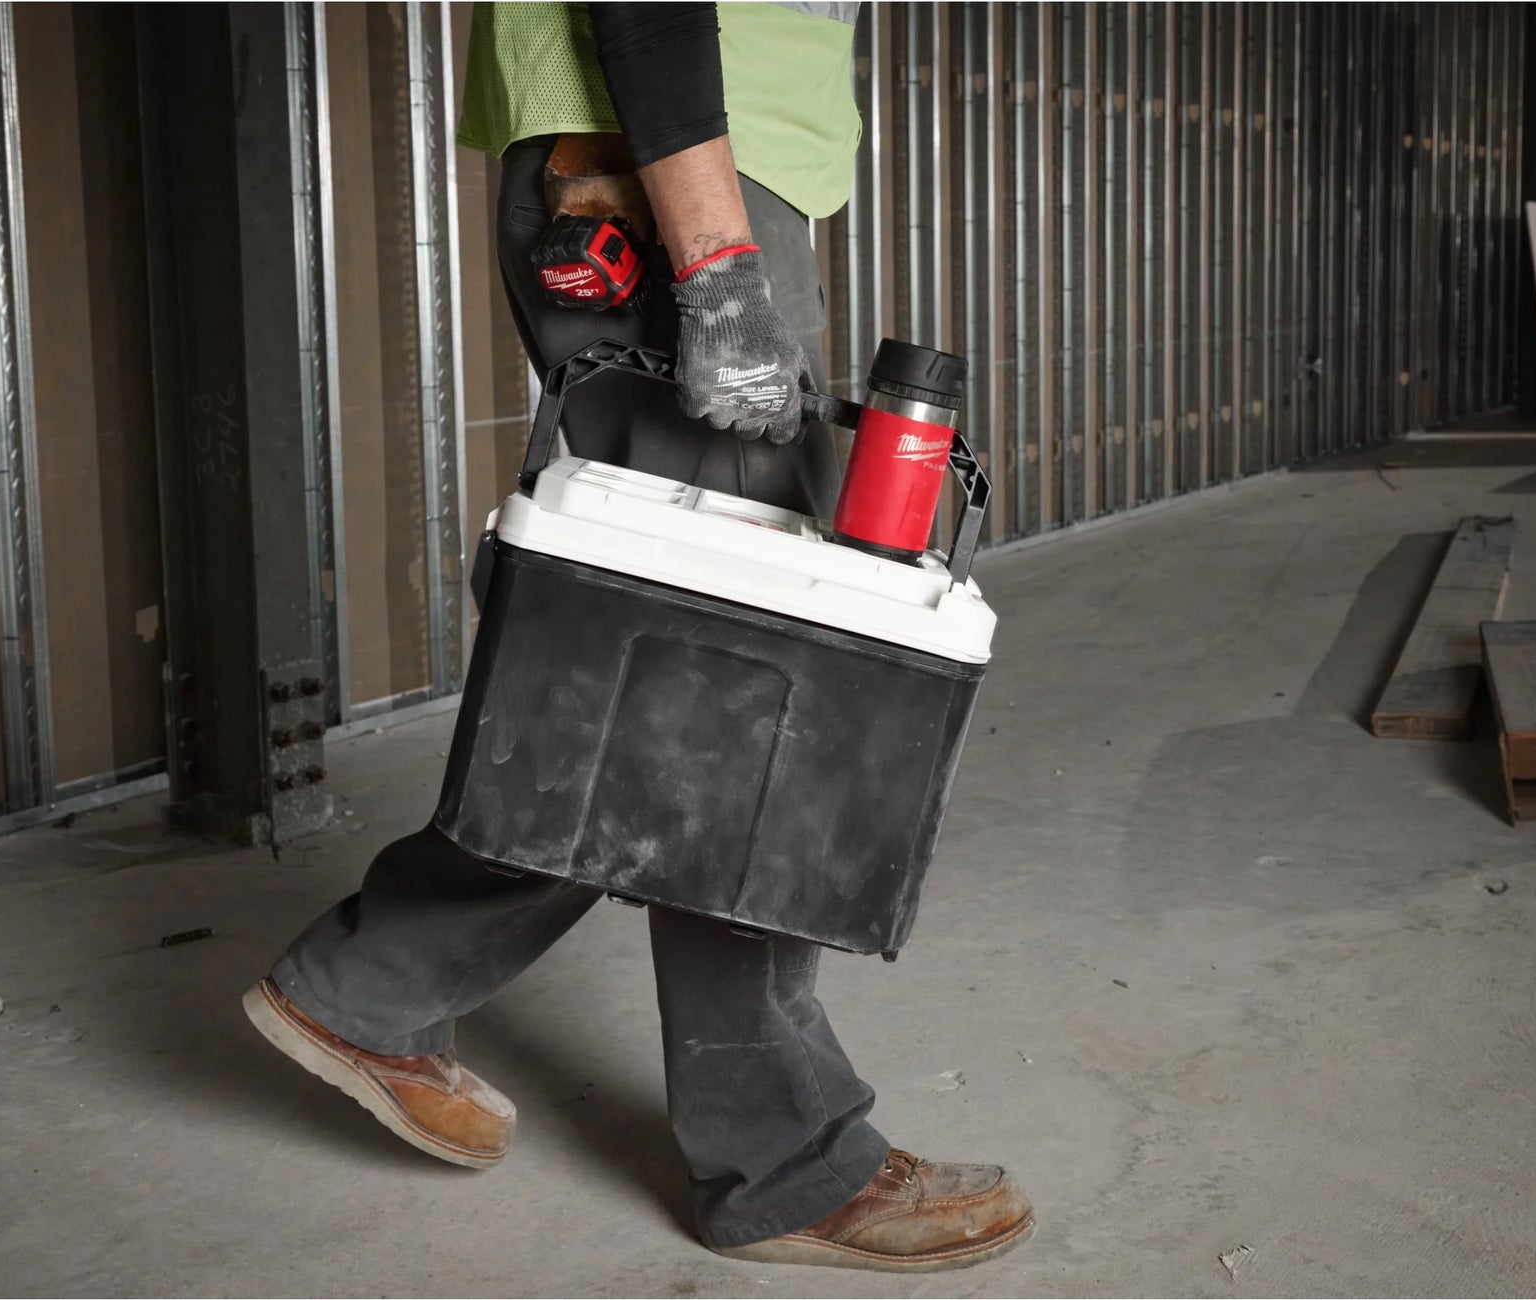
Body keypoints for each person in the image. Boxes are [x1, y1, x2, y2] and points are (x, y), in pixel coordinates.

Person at [244, 2, 1034, 1273]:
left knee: (681, 667)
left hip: (669, 160)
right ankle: (782, 1161)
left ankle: (372, 984)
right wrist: (715, 267)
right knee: (742, 684)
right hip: (669, 169)